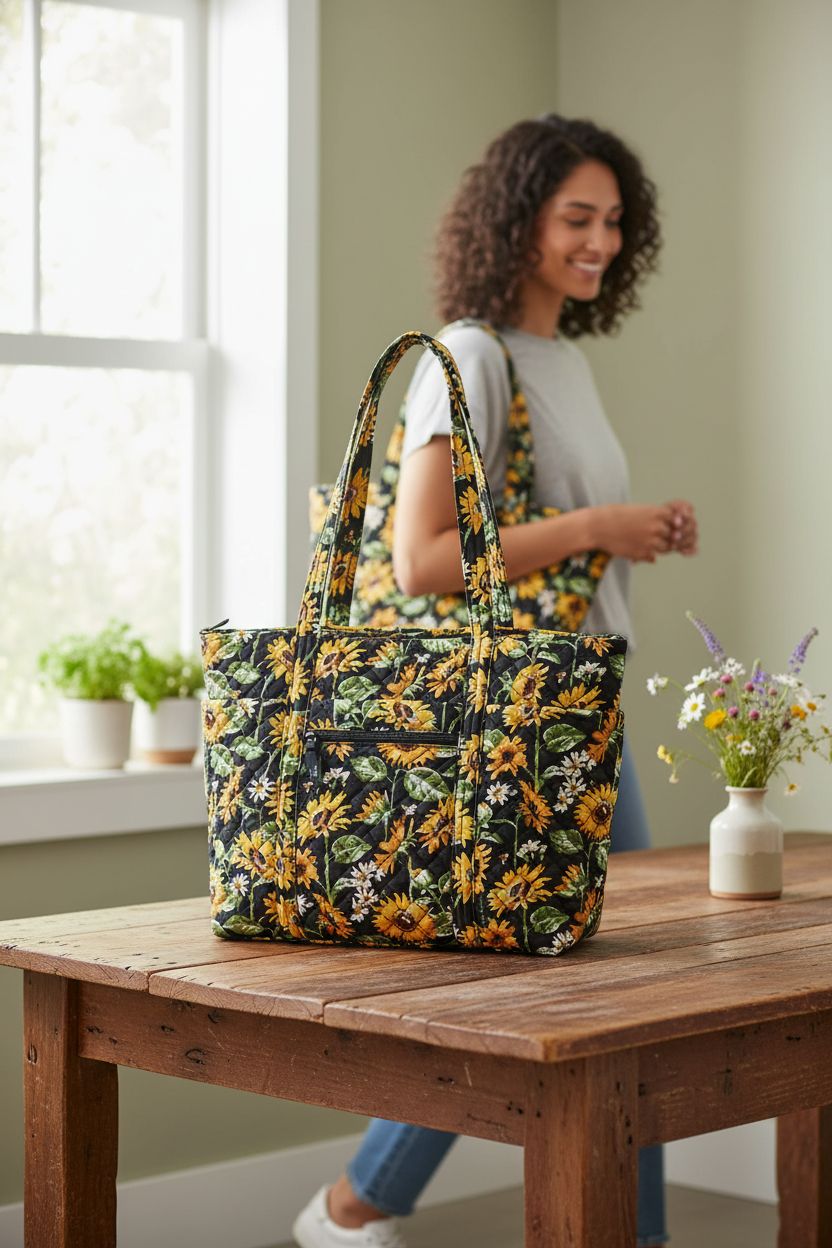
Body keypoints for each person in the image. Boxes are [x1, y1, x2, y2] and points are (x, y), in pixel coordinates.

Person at [293, 114, 697, 1248]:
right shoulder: (471, 354)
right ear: (517, 221)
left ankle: (355, 1204)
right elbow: (420, 559)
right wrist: (593, 525)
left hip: (578, 703)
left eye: (615, 222)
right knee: (619, 999)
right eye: (578, 218)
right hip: (516, 721)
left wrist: (630, 530)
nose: (602, 241)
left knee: (597, 1000)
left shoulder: (559, 358)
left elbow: (538, 533)